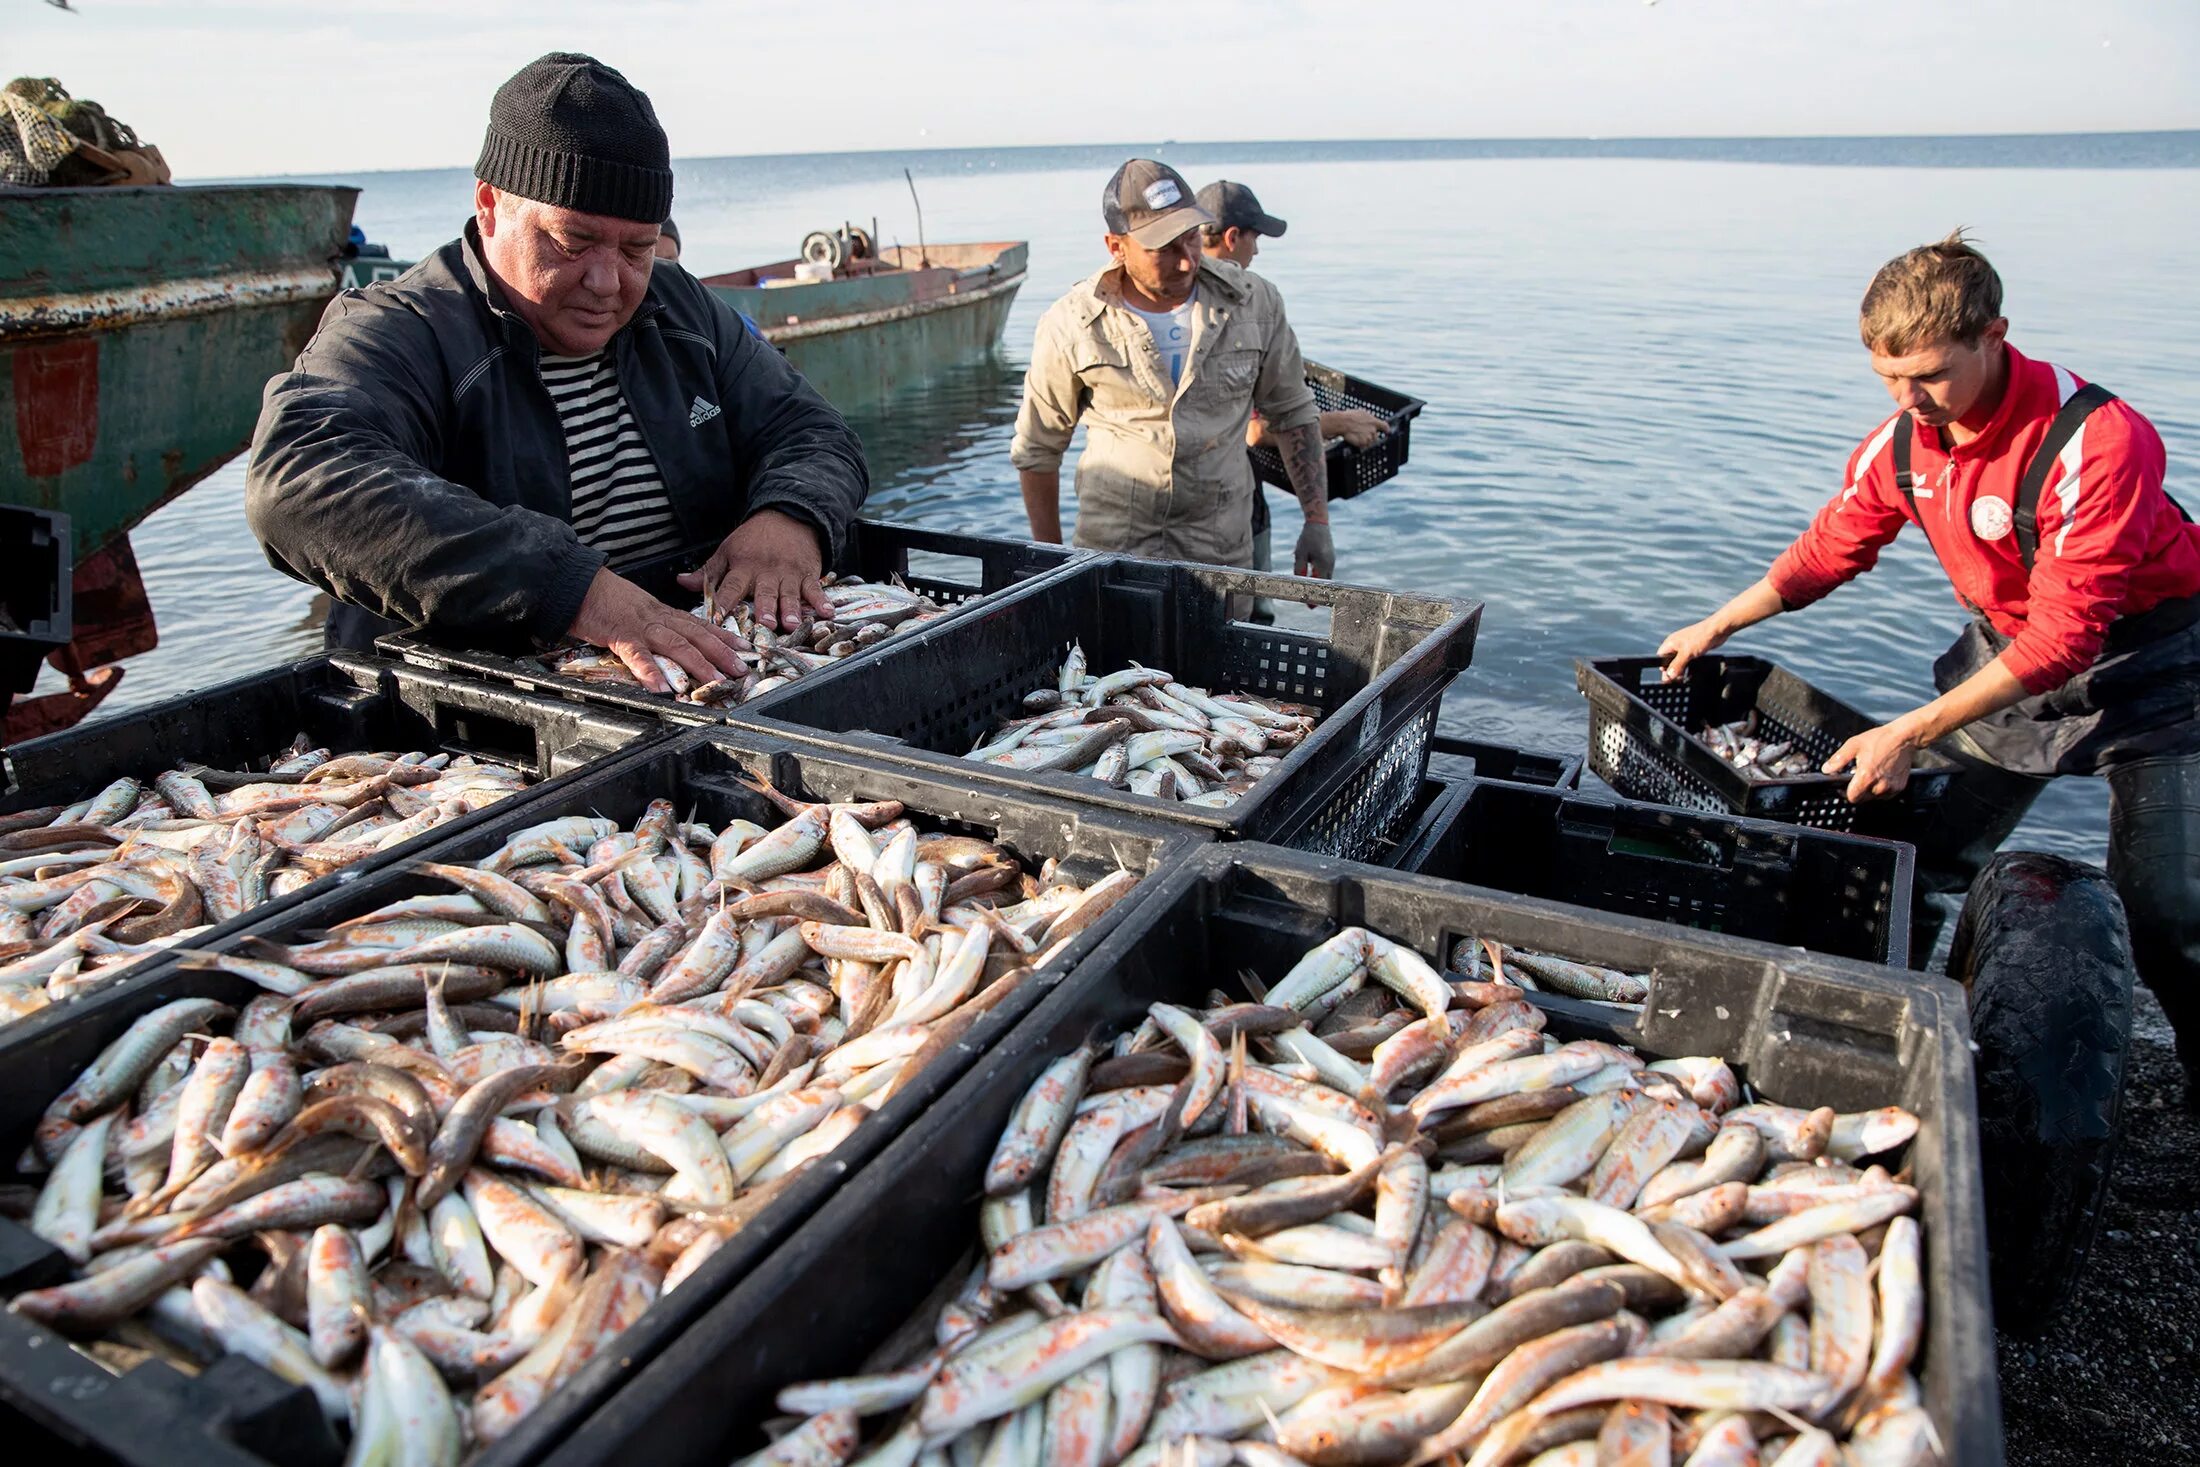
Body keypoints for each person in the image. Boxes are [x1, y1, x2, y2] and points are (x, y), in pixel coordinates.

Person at [1660, 231, 2200, 1086]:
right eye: (1887, 377)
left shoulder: (2096, 442)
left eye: (1930, 376)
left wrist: (1911, 726)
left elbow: (2070, 635)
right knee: (1903, 847)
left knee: (2174, 912)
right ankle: (1874, 1041)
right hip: (2012, 663)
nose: (1908, 398)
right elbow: (1831, 548)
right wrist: (1720, 623)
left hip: (2159, 669)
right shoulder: (1905, 442)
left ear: (1995, 335)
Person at [246, 53, 867, 694]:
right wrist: (572, 590)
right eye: (572, 241)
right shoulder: (403, 330)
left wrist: (789, 518)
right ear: (489, 207)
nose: (606, 283)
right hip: (463, 710)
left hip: (688, 689)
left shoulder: (684, 310)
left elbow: (810, 428)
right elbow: (298, 481)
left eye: (636, 249)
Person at [1010, 159, 1335, 579]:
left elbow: (1291, 413)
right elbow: (1038, 449)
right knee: (1113, 647)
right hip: (1113, 557)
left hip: (1222, 556)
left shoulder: (1256, 302)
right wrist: (1050, 563)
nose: (1186, 262)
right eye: (1164, 249)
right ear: (1116, 246)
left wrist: (1317, 522)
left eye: (1191, 239)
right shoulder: (1070, 321)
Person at [1195, 178, 1388, 612]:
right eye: (1254, 238)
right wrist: (1338, 423)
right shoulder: (1243, 303)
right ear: (1231, 238)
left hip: (1236, 505)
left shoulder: (1250, 307)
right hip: (1229, 516)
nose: (1257, 251)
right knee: (1247, 621)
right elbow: (1245, 429)